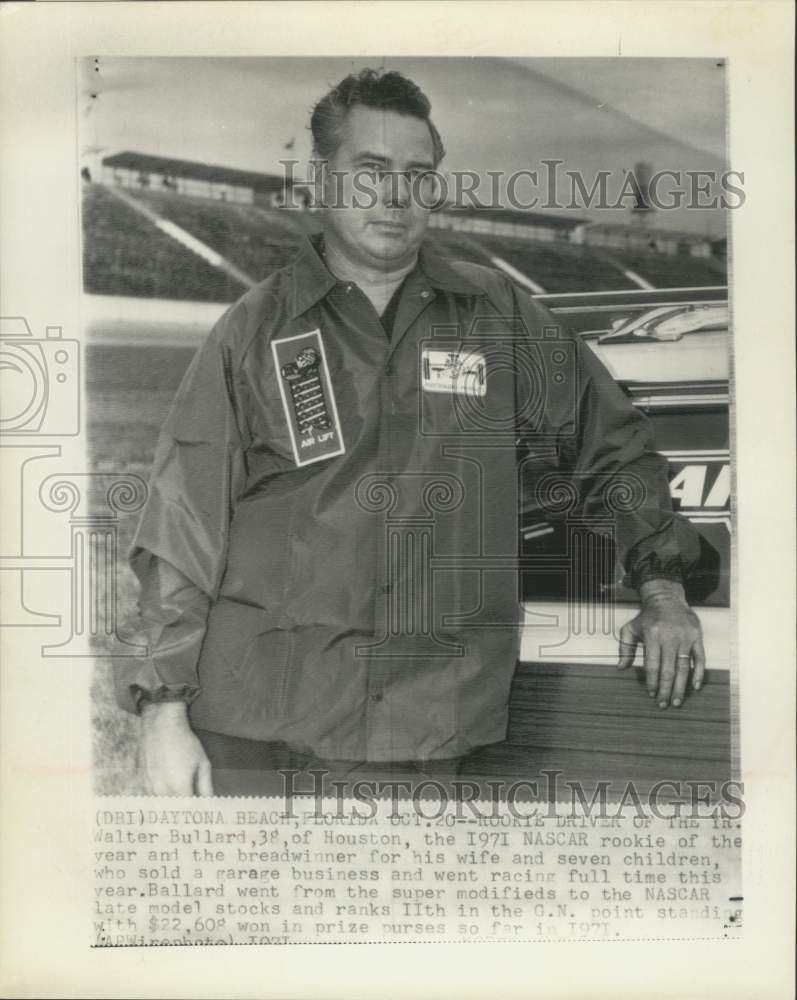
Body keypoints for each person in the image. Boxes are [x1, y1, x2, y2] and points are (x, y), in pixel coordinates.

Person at [116, 68, 705, 797]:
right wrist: (162, 711)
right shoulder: (254, 329)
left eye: (417, 175)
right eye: (371, 172)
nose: (397, 196)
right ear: (321, 180)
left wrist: (661, 591)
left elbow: (610, 447)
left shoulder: (501, 317)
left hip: (417, 729)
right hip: (250, 725)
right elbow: (182, 524)